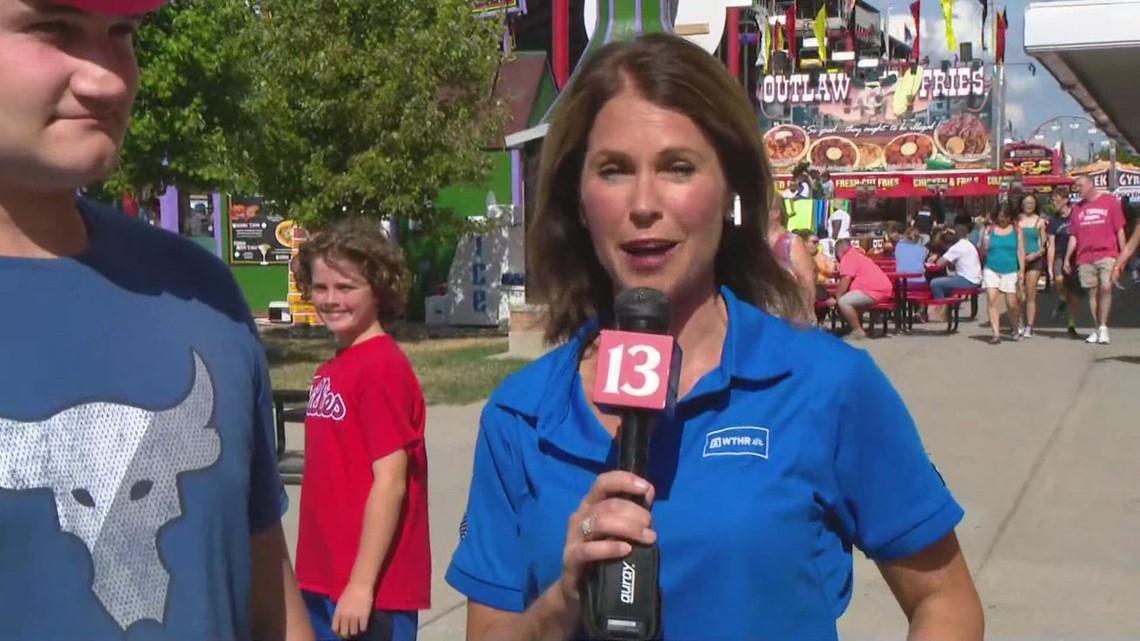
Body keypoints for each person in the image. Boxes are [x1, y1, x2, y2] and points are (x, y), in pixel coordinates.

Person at [445, 32, 981, 641]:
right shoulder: (519, 416)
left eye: (678, 167)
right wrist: (562, 599)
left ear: (731, 190)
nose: (643, 204)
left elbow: (945, 600)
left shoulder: (827, 385)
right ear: (579, 198)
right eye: (615, 170)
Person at [0, 1, 312, 640]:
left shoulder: (201, 295)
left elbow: (268, 607)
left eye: (122, 34)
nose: (108, 79)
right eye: (53, 29)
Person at [292, 220, 431, 641]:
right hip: (323, 576)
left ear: (378, 289)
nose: (331, 300)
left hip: (371, 589)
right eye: (320, 287)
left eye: (346, 287)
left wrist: (360, 585)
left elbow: (390, 483)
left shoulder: (381, 368)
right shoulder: (334, 367)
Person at [1064, 174, 1127, 345]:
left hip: (1107, 253)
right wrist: (1067, 258)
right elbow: (1074, 236)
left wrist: (1123, 256)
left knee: (1106, 288)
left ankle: (1104, 327)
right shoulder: (1077, 209)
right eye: (1076, 187)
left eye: (1081, 186)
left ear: (1091, 184)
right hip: (1085, 256)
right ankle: (1097, 327)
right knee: (1092, 292)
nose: (1078, 189)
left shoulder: (1110, 201)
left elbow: (1119, 229)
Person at [829, 238, 895, 339]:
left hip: (874, 290)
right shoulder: (857, 256)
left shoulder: (848, 257)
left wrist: (837, 296)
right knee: (851, 301)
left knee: (843, 302)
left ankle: (857, 331)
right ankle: (851, 327)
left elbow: (846, 279)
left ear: (839, 250)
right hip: (879, 289)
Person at [980, 205, 1025, 344]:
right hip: (991, 268)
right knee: (992, 298)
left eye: (1005, 216)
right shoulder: (989, 229)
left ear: (1011, 217)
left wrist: (1021, 270)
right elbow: (982, 249)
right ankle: (996, 333)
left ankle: (1015, 326)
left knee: (1011, 303)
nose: (1002, 218)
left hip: (1010, 268)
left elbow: (1020, 250)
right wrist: (984, 243)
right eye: (1000, 216)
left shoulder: (1017, 230)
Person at [767, 196, 816, 318]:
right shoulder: (758, 242)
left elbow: (807, 281)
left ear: (776, 213)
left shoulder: (791, 242)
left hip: (788, 315)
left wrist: (803, 316)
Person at [1047, 188, 1080, 338]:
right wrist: (1049, 265)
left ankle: (1071, 324)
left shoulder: (1076, 214)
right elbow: (1051, 245)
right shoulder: (1054, 221)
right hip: (1060, 254)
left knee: (1074, 294)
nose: (1054, 202)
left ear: (1066, 200)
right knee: (1059, 279)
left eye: (1057, 199)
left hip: (1076, 256)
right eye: (1053, 200)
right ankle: (1061, 298)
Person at [1015, 193, 1048, 338]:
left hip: (1033, 258)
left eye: (1032, 202)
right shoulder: (1016, 221)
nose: (1029, 205)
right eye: (1027, 202)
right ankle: (1019, 322)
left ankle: (1029, 325)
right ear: (1022, 204)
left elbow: (1043, 246)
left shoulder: (1040, 222)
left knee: (1030, 294)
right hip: (1017, 259)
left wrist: (1033, 255)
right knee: (1017, 294)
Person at [927, 228, 983, 299]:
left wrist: (939, 256)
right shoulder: (964, 242)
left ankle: (940, 305)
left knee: (935, 283)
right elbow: (952, 268)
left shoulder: (955, 248)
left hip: (968, 280)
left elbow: (939, 264)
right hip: (975, 279)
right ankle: (947, 305)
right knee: (944, 283)